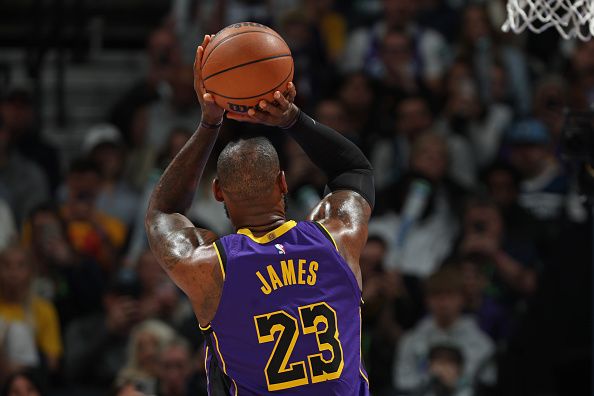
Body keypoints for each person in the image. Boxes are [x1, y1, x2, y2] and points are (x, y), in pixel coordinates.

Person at [144, 35, 374, 394]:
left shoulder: (210, 266)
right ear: (283, 184)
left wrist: (209, 123)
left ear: (218, 191)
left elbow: (163, 211)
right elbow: (354, 172)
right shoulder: (338, 238)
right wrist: (292, 118)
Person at [393, 267, 495, 393]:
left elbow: (487, 384)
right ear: (427, 300)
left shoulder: (481, 343)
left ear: (462, 298)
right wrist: (431, 377)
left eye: (450, 295)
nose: (443, 303)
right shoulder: (411, 340)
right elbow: (402, 383)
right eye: (436, 296)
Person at [0, 246, 63, 372]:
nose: (13, 272)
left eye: (20, 266)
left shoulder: (44, 309)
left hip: (28, 376)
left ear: (31, 271)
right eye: (7, 266)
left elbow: (52, 361)